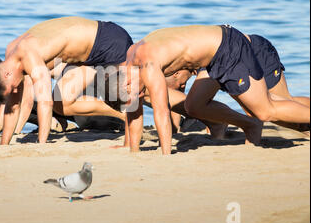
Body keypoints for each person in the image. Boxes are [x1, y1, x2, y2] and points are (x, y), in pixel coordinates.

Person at [123, 24, 310, 154]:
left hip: (228, 47)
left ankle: (256, 121)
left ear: (127, 82)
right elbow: (133, 113)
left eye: (137, 93)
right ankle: (249, 124)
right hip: (214, 54)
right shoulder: (130, 59)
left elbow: (161, 110)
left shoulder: (147, 63)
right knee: (194, 106)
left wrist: (165, 155)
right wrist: (133, 150)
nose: (139, 95)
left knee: (265, 111)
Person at [0, 16, 134, 146]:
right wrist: (3, 144)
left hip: (108, 42)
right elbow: (12, 105)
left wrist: (41, 144)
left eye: (12, 88)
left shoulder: (29, 55)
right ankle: (121, 115)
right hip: (85, 57)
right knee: (61, 104)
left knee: (137, 93)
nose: (15, 91)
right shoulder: (11, 55)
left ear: (6, 74)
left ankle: (138, 114)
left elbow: (45, 103)